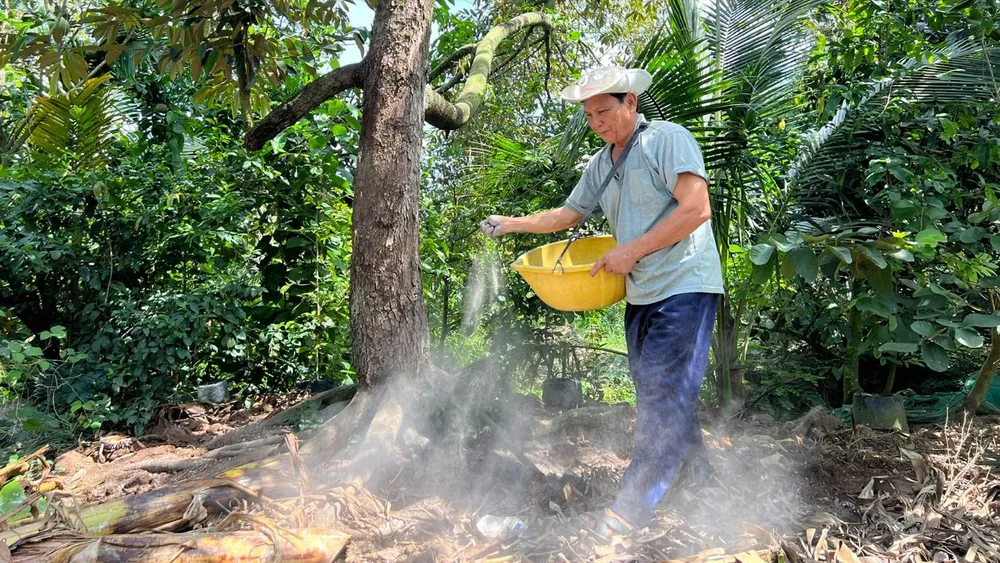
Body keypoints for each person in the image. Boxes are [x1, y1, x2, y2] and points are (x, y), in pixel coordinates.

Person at [479, 65, 725, 537]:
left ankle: (629, 511)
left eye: (604, 111)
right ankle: (699, 477)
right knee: (661, 388)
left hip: (686, 284)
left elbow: (696, 208)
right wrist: (511, 223)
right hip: (642, 292)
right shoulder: (601, 163)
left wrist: (629, 250)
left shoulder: (666, 140)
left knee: (660, 392)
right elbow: (567, 215)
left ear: (630, 102)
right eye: (589, 115)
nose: (596, 122)